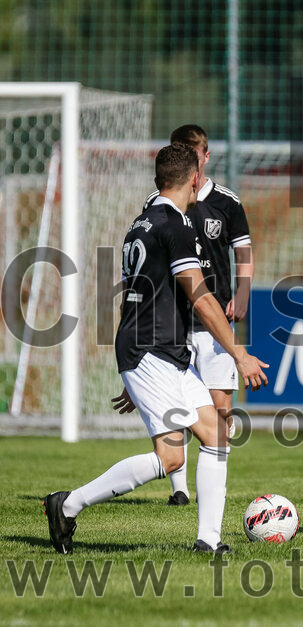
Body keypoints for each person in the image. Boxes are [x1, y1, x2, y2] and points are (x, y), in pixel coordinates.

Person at [44, 144, 268, 554]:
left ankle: (209, 541)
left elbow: (142, 294)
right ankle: (68, 504)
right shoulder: (177, 227)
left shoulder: (142, 223)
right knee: (171, 459)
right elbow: (200, 298)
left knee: (217, 433)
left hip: (156, 350)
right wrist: (239, 353)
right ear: (196, 180)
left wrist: (135, 371)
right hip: (152, 351)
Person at [145, 125, 254, 507]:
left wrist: (242, 293)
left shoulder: (226, 202)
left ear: (204, 158)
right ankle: (180, 489)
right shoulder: (159, 207)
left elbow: (243, 253)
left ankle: (213, 489)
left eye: (196, 153)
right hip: (173, 321)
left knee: (220, 410)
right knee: (176, 407)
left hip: (215, 320)